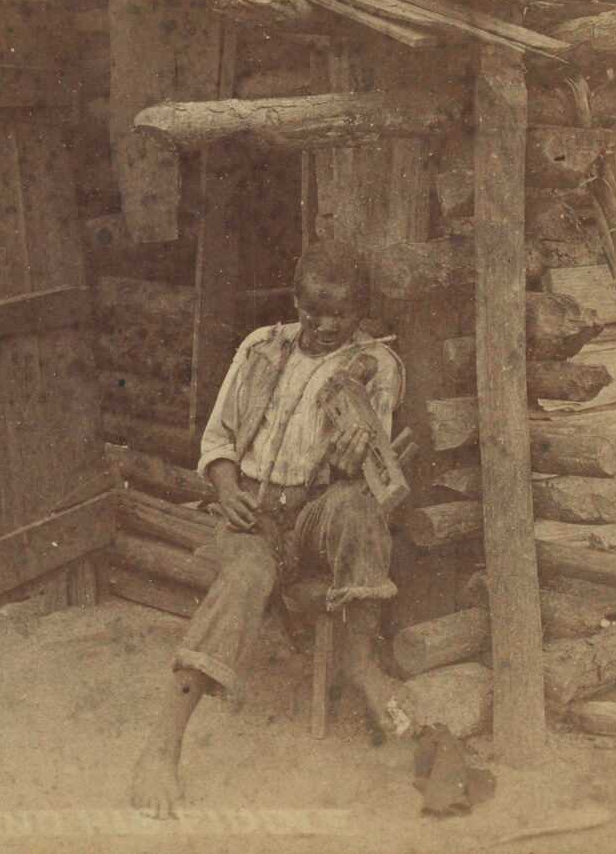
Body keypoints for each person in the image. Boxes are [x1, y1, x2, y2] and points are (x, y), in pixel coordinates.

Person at [131, 240, 409, 817]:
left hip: (316, 512)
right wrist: (228, 489)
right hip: (251, 513)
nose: (326, 324)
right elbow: (218, 440)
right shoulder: (260, 348)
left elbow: (369, 472)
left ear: (361, 313)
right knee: (250, 571)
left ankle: (358, 661)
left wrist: (361, 446)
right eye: (313, 310)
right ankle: (163, 744)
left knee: (358, 509)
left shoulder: (376, 366)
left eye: (340, 313)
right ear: (295, 300)